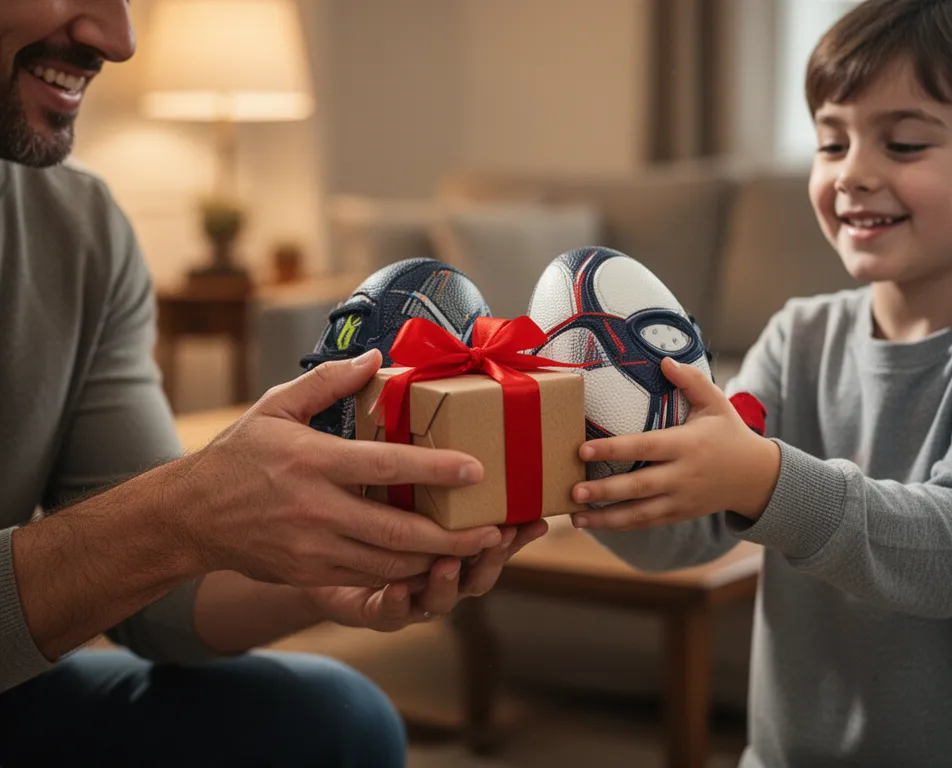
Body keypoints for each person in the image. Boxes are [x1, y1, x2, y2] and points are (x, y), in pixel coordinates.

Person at [0, 2, 548, 765]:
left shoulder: (81, 225)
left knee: (338, 719)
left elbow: (158, 602)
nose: (117, 40)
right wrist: (179, 513)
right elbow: (149, 534)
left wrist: (324, 562)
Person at [568, 0, 952, 765]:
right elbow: (682, 533)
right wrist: (599, 473)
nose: (854, 173)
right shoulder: (799, 336)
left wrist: (760, 475)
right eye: (831, 142)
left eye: (904, 143)